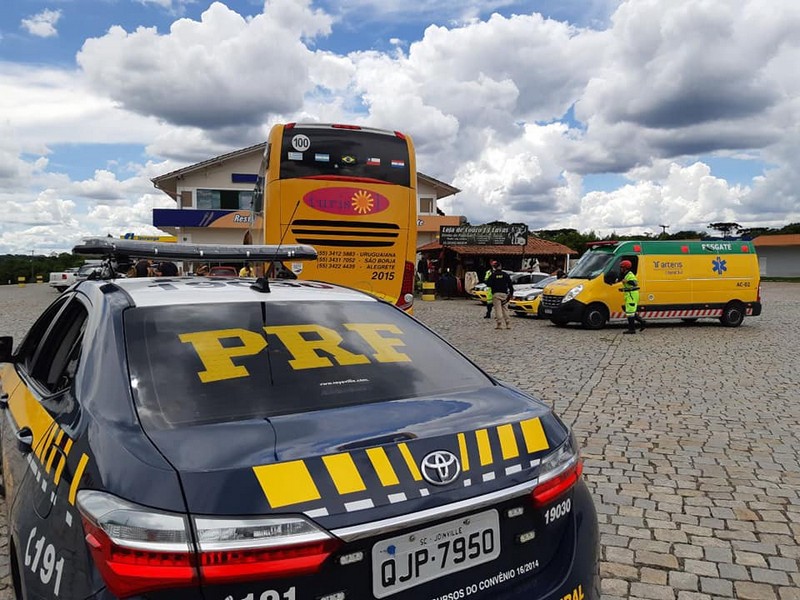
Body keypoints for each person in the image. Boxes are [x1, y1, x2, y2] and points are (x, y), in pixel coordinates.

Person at [618, 259, 646, 334]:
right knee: (630, 312)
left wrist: (626, 281)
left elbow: (635, 283)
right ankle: (643, 322)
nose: (620, 269)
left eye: (621, 267)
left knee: (630, 313)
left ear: (625, 268)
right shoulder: (627, 275)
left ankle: (632, 329)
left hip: (632, 296)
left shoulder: (630, 275)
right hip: (629, 295)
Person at [486, 261, 514, 330]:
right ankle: (508, 324)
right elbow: (510, 285)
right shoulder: (505, 275)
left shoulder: (493, 275)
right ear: (500, 266)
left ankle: (499, 324)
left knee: (498, 309)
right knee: (505, 309)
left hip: (496, 294)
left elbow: (488, 284)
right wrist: (511, 293)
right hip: (504, 294)